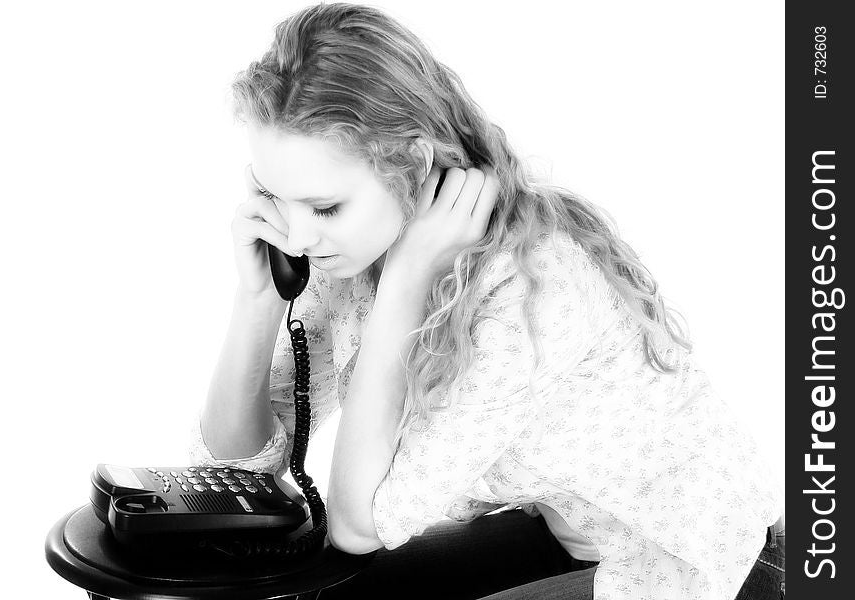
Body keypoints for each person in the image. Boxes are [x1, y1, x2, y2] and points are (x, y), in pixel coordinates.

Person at [188, 3, 784, 598]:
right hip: (568, 539)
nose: (295, 237)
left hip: (700, 562)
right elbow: (228, 472)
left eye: (324, 208)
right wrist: (259, 297)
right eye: (272, 195)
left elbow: (356, 526)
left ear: (414, 164)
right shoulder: (344, 250)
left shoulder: (530, 288)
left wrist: (406, 281)